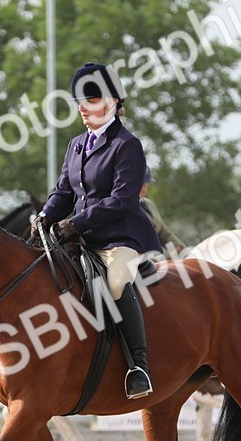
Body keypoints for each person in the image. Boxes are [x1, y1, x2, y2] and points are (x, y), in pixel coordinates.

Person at [33, 62, 161, 399]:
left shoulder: (127, 145)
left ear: (114, 102)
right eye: (80, 103)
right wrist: (45, 214)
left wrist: (75, 222)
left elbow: (121, 200)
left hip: (120, 237)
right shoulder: (76, 144)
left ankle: (139, 367)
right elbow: (64, 191)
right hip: (80, 238)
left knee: (116, 283)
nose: (83, 110)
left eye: (90, 102)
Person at [138, 167, 186, 254]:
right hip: (135, 259)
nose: (143, 188)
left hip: (155, 258)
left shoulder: (150, 204)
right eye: (139, 183)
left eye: (146, 183)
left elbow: (163, 233)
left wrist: (181, 249)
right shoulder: (122, 206)